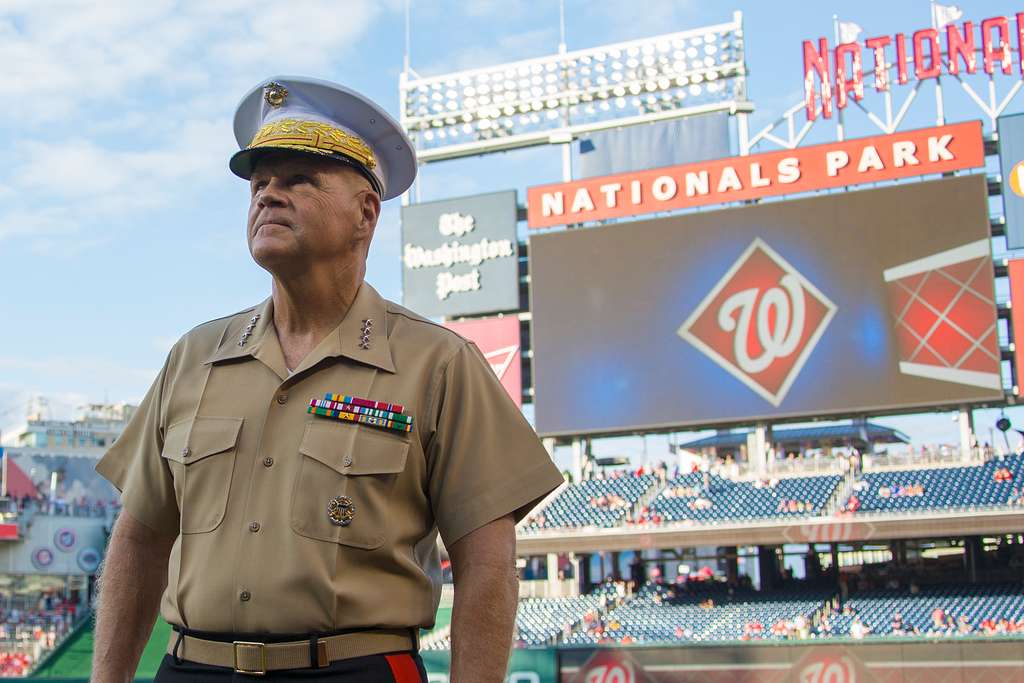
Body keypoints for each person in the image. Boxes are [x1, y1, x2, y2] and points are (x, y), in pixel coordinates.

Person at [91, 77, 563, 682]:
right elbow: (139, 541)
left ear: (366, 213)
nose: (268, 196)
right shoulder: (193, 356)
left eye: (298, 180)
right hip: (192, 667)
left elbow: (488, 566)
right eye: (259, 184)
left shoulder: (437, 363)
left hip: (355, 669)